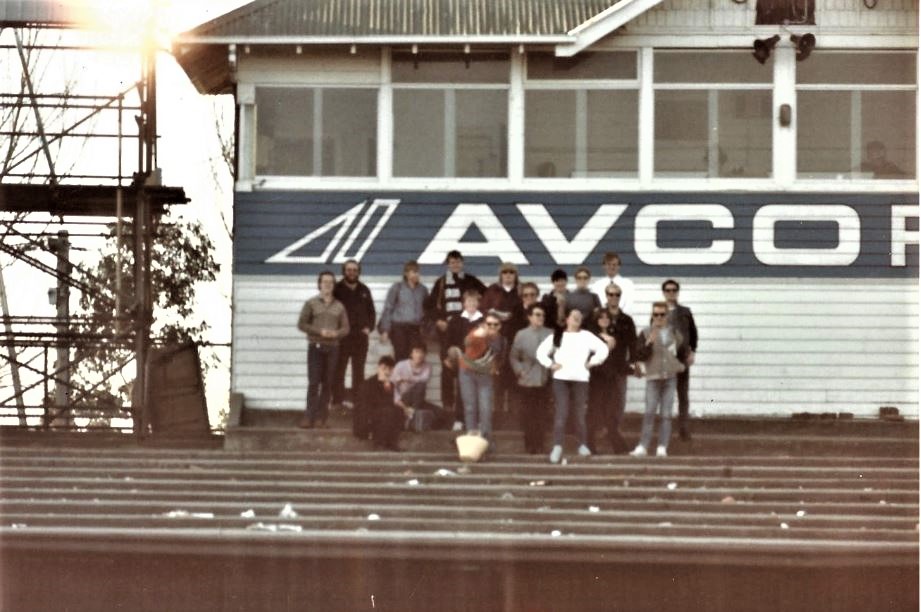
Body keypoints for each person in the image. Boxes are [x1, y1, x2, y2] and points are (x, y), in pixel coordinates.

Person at [536, 308, 609, 464]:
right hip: (561, 379)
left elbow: (603, 348)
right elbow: (541, 352)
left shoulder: (587, 336)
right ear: (567, 319)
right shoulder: (558, 336)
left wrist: (593, 362)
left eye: (579, 316)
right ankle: (557, 446)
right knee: (561, 412)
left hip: (581, 379)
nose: (577, 318)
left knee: (580, 413)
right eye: (573, 316)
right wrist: (550, 364)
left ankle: (583, 444)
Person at [424, 250, 486, 431]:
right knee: (448, 367)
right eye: (452, 262)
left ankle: (471, 416)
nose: (455, 265)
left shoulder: (471, 280)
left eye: (458, 262)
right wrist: (438, 320)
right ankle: (448, 405)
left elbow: (486, 295)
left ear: (462, 263)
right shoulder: (442, 282)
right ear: (448, 264)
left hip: (469, 328)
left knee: (467, 374)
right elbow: (429, 306)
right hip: (449, 331)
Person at [630, 302, 688, 458]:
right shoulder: (645, 332)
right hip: (653, 378)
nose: (659, 318)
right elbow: (638, 354)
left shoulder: (674, 332)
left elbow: (683, 351)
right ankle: (643, 445)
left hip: (670, 378)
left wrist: (681, 365)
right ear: (652, 315)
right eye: (656, 314)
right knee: (649, 412)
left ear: (667, 316)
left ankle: (662, 446)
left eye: (662, 314)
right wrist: (649, 342)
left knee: (666, 414)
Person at [587, 283, 637, 454]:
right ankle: (590, 444)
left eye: (617, 294)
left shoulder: (621, 325)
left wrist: (632, 365)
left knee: (613, 409)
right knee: (594, 409)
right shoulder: (592, 333)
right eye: (610, 294)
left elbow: (630, 345)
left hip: (614, 373)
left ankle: (616, 442)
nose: (613, 297)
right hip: (596, 375)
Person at [296, 270, 349, 429]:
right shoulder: (311, 303)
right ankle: (308, 417)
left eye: (330, 282)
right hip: (316, 347)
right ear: (319, 284)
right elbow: (302, 324)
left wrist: (335, 333)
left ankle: (321, 418)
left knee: (327, 383)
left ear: (334, 285)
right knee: (314, 382)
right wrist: (319, 332)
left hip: (332, 348)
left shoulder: (339, 306)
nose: (327, 285)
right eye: (324, 282)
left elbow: (346, 328)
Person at [455, 312, 506, 447]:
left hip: (485, 374)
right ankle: (471, 439)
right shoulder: (477, 333)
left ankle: (485, 440)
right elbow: (467, 341)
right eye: (489, 324)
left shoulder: (501, 340)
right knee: (470, 406)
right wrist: (477, 334)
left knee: (486, 407)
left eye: (496, 324)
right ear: (484, 324)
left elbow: (501, 357)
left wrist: (495, 368)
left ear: (500, 326)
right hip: (467, 372)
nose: (492, 327)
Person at [332, 259, 376, 410]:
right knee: (339, 369)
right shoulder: (336, 289)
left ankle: (358, 403)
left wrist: (369, 328)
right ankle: (337, 401)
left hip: (360, 338)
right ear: (344, 271)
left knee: (359, 371)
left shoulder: (364, 290)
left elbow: (372, 312)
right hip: (343, 337)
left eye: (355, 270)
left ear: (359, 272)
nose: (352, 272)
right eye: (349, 269)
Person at [509, 304, 552, 454]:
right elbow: (514, 356)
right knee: (528, 415)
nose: (540, 318)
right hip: (527, 378)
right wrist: (519, 371)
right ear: (530, 317)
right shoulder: (521, 334)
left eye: (542, 315)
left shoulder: (550, 334)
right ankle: (530, 444)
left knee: (542, 414)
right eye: (537, 315)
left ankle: (540, 444)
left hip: (543, 378)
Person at [481, 262, 523, 415]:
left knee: (513, 376)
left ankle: (513, 414)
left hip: (514, 338)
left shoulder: (520, 291)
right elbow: (484, 310)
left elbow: (523, 313)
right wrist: (498, 315)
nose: (508, 275)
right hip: (496, 338)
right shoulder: (493, 290)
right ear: (500, 274)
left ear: (515, 275)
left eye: (511, 272)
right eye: (505, 272)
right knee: (496, 375)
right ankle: (497, 414)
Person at [442, 289, 484, 430]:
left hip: (480, 361)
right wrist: (447, 357)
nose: (471, 303)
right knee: (462, 391)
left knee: (479, 391)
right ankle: (460, 419)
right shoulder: (456, 320)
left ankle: (478, 421)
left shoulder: (483, 321)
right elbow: (448, 341)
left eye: (474, 301)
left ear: (478, 303)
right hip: (462, 360)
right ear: (463, 303)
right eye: (468, 301)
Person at [662, 279, 698, 441]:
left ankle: (683, 428)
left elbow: (693, 334)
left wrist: (692, 352)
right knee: (666, 394)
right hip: (666, 360)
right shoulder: (659, 311)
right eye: (668, 290)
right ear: (664, 292)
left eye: (674, 290)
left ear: (677, 292)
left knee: (683, 394)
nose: (671, 293)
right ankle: (666, 428)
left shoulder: (685, 312)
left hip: (682, 358)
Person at [379, 260, 429, 362]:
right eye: (413, 271)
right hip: (399, 328)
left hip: (415, 328)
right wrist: (385, 330)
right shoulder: (397, 288)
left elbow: (427, 310)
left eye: (418, 272)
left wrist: (425, 328)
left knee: (415, 358)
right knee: (400, 357)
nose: (416, 274)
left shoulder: (423, 290)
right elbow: (388, 308)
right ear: (406, 273)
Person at [355, 356, 404, 451]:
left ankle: (392, 443)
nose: (386, 372)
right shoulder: (369, 383)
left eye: (390, 369)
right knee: (387, 411)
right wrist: (385, 387)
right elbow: (369, 404)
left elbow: (389, 403)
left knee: (397, 410)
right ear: (378, 368)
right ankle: (379, 443)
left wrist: (387, 387)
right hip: (366, 416)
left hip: (381, 413)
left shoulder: (390, 384)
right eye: (384, 369)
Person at [391, 343, 434, 426]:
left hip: (417, 399)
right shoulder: (401, 365)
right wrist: (398, 401)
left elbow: (424, 379)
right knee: (420, 386)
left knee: (421, 386)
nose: (419, 355)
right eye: (416, 352)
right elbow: (393, 386)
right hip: (403, 398)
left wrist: (406, 379)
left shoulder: (427, 366)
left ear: (425, 354)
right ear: (411, 354)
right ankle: (412, 417)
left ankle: (411, 415)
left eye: (422, 352)